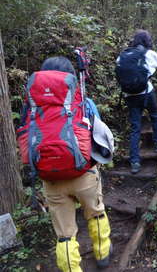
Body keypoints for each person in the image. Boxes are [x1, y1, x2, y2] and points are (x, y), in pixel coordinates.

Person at [19, 56, 113, 272]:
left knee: (64, 233)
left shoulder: (31, 107)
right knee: (96, 212)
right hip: (84, 174)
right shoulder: (83, 102)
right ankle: (103, 254)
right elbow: (99, 134)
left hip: (50, 178)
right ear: (70, 77)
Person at [118, 30, 157, 174]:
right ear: (147, 41)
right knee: (154, 115)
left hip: (130, 95)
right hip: (146, 92)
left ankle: (135, 162)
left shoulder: (123, 55)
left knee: (135, 127)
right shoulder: (148, 54)